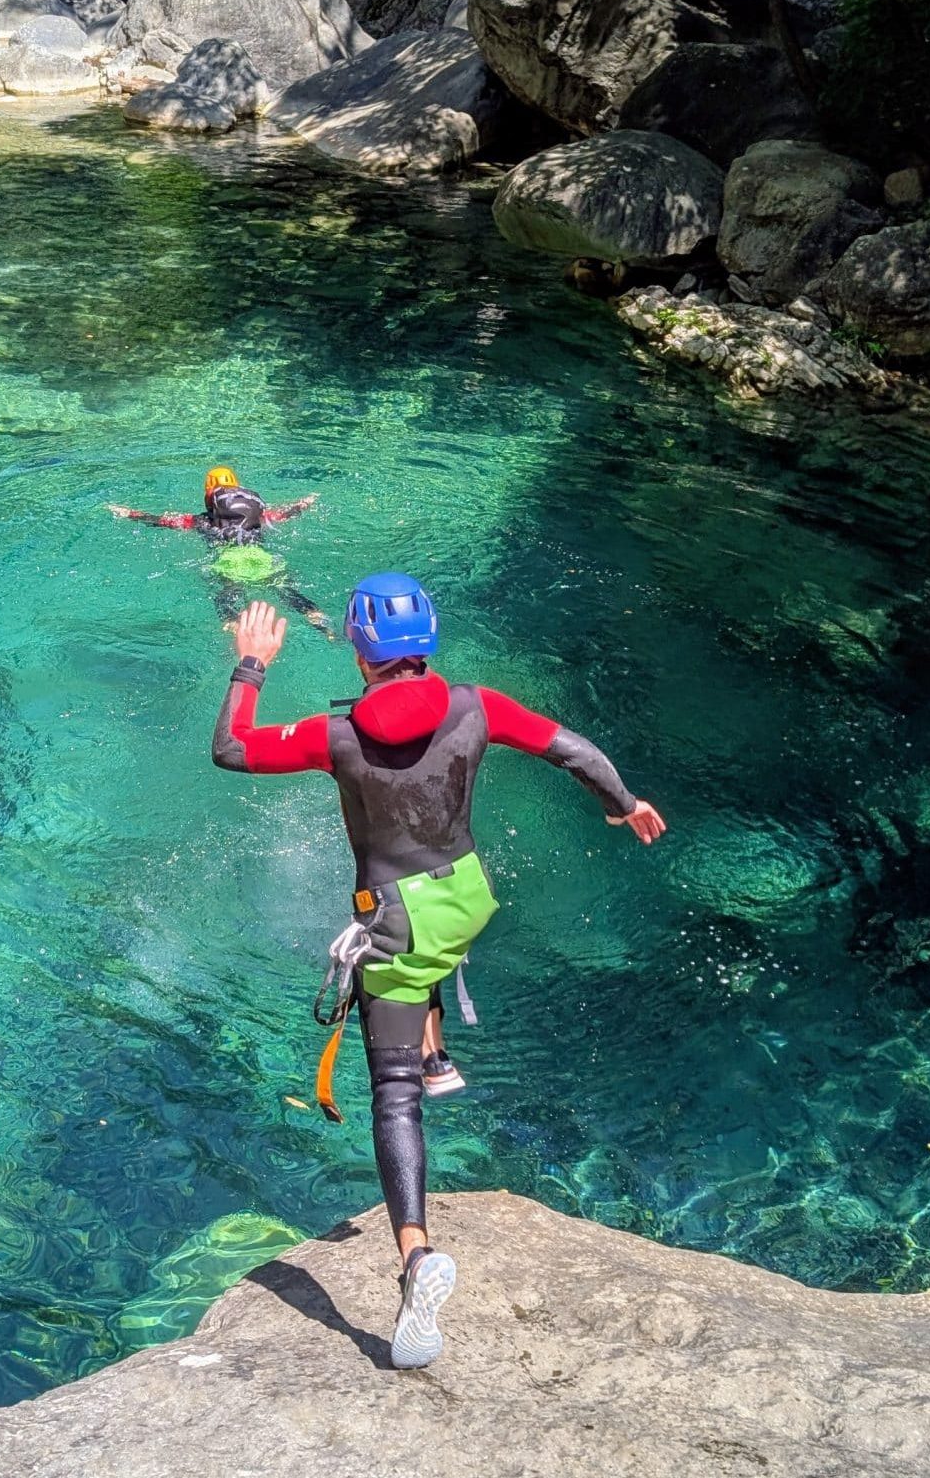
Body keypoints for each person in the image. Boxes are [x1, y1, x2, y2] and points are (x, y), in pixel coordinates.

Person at [210, 576, 667, 1370]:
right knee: (427, 956)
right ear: (428, 643)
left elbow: (230, 748)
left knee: (391, 1092)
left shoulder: (337, 734)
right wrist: (623, 803)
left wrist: (251, 665)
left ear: (359, 651)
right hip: (466, 895)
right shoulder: (477, 704)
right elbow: (576, 752)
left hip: (399, 915)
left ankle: (418, 1260)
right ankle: (436, 1049)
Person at [108, 467, 328, 629]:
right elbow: (285, 513)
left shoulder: (201, 521)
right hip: (261, 559)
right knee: (285, 590)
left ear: (209, 496)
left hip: (229, 563)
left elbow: (163, 521)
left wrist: (130, 513)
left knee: (225, 596)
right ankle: (313, 614)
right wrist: (304, 503)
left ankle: (232, 625)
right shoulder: (259, 518)